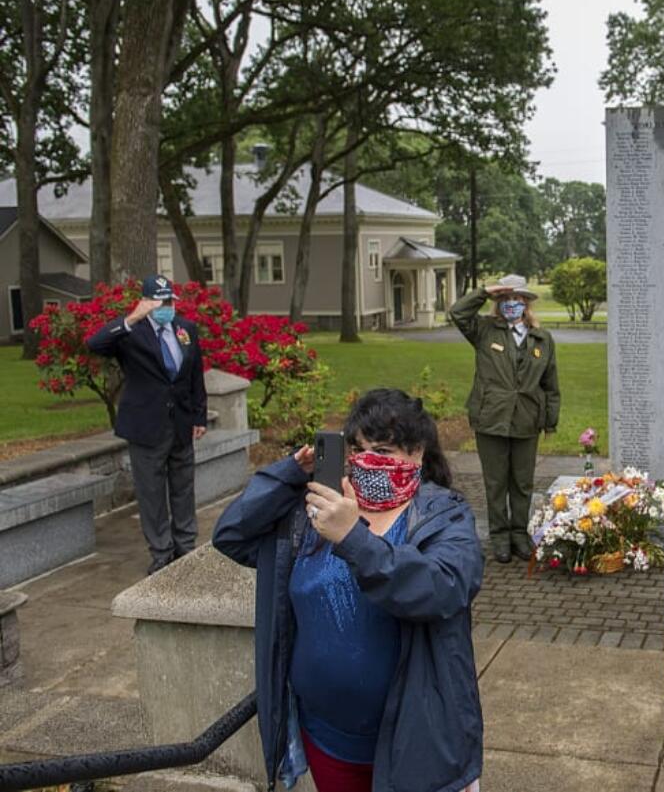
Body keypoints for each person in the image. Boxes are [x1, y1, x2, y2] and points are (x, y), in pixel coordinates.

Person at [213, 389, 484, 792]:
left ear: (418, 454)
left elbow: (442, 588)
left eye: (384, 450)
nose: (367, 460)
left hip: (416, 745)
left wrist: (351, 538)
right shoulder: (314, 512)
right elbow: (232, 535)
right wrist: (288, 473)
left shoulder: (443, 515)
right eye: (356, 448)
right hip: (328, 739)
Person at [86, 274, 207, 575]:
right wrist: (132, 318)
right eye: (159, 302)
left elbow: (194, 377)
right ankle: (162, 552)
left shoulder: (186, 330)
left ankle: (185, 547)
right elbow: (94, 343)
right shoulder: (130, 333)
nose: (166, 307)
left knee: (183, 488)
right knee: (152, 493)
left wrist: (199, 416)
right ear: (146, 302)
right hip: (146, 426)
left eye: (169, 301)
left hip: (180, 424)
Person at [449, 273, 560, 563]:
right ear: (498, 303)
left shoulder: (542, 339)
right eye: (506, 299)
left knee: (522, 482)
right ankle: (499, 537)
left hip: (526, 419)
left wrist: (550, 420)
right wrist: (485, 291)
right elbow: (457, 313)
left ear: (526, 302)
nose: (512, 303)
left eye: (517, 298)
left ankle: (520, 535)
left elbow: (550, 384)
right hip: (491, 417)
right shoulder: (484, 330)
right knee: (496, 481)